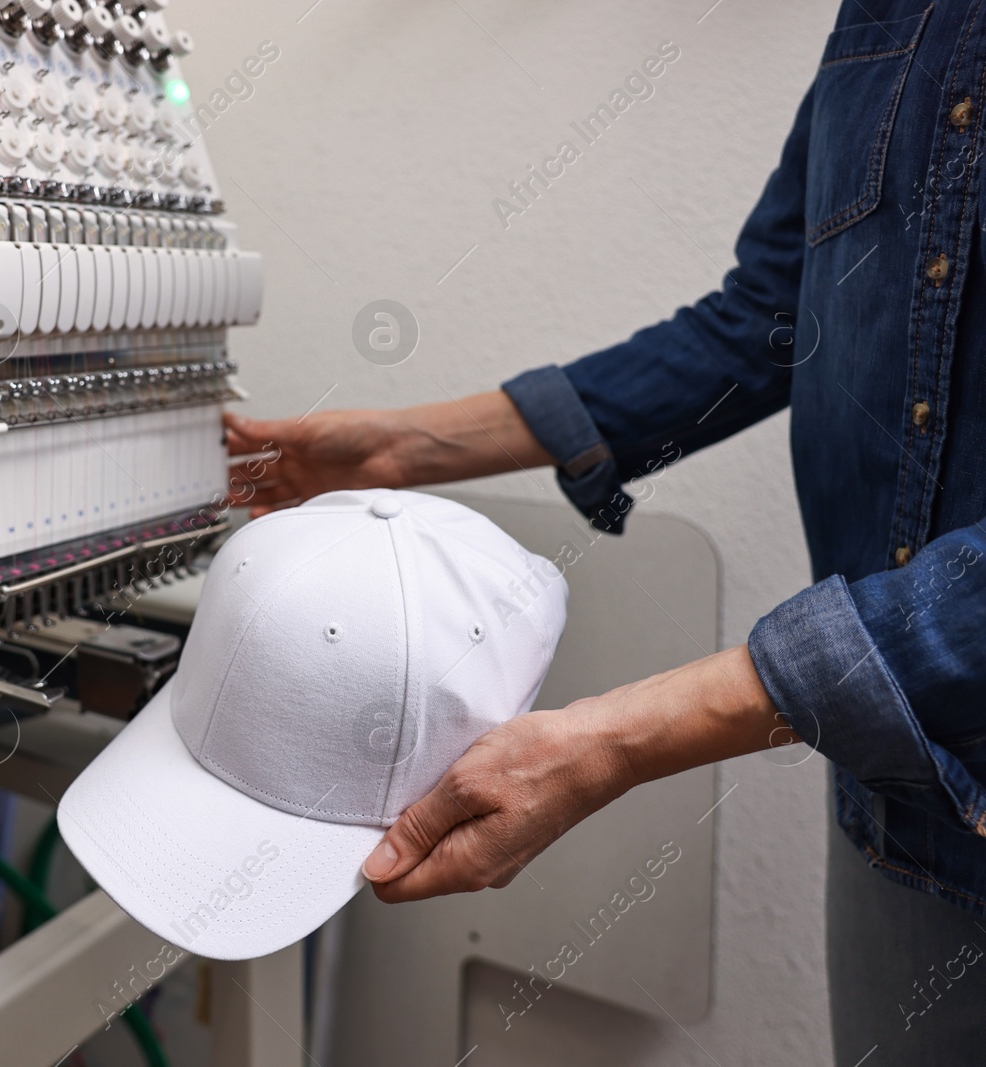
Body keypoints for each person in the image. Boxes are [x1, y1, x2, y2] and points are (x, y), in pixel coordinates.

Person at [226, 2, 986, 1059]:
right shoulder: (895, 19)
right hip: (900, 784)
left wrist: (615, 740)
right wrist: (402, 447)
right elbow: (769, 316)